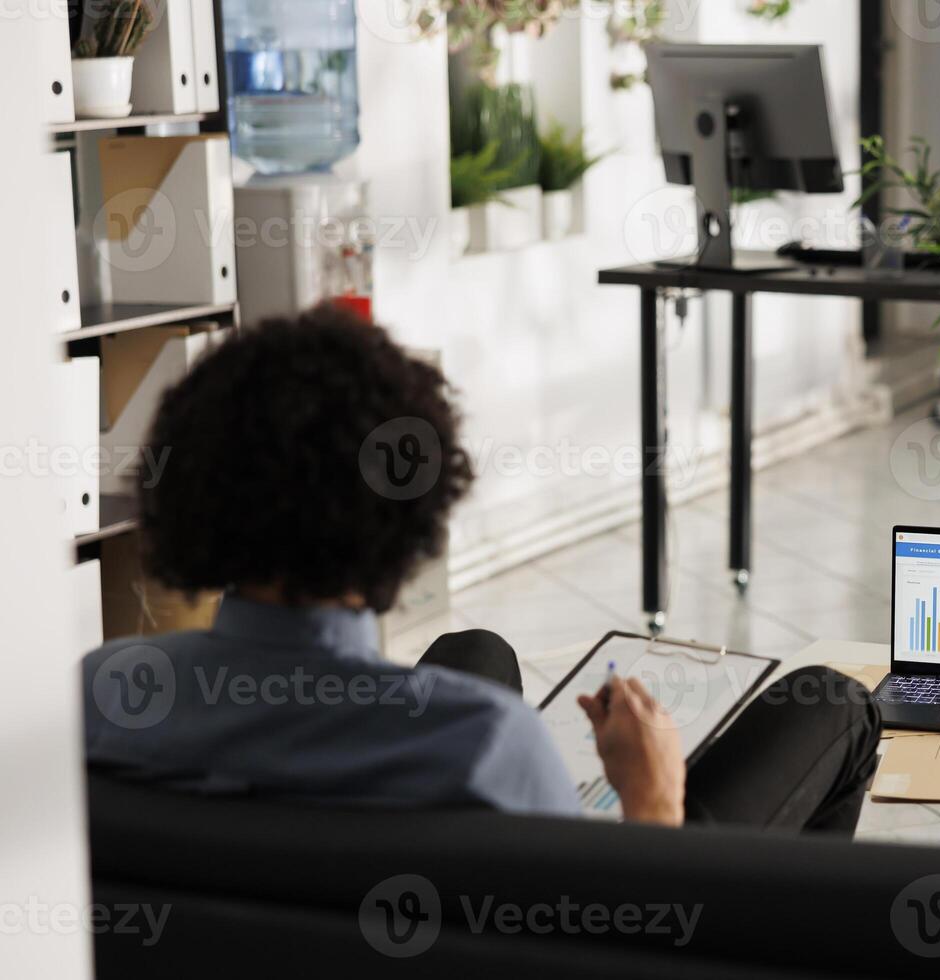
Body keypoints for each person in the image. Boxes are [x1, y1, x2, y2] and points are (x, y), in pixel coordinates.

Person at [83, 305, 881, 833]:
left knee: (479, 652)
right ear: (406, 513)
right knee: (835, 704)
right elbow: (615, 940)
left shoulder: (100, 693)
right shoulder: (486, 748)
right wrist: (653, 795)